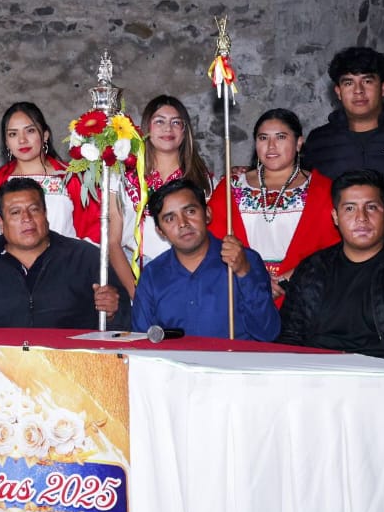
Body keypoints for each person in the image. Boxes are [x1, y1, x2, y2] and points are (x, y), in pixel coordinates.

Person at [0, 177, 127, 329]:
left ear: (45, 214)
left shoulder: (87, 259)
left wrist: (111, 312)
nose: (27, 219)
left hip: (69, 367)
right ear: (0, 223)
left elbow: (122, 327)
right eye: (15, 213)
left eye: (34, 209)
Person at [276, 169, 384, 355]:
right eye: (350, 208)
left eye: (371, 207)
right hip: (318, 373)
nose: (361, 218)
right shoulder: (313, 269)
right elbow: (290, 336)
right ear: (335, 217)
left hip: (380, 374)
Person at [207, 109, 340, 305]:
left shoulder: (323, 189)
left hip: (303, 295)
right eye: (263, 138)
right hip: (241, 293)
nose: (271, 146)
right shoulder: (231, 186)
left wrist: (283, 281)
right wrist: (253, 278)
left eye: (281, 137)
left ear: (299, 143)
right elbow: (211, 242)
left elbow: (333, 251)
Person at [130, 178, 278, 341]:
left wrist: (244, 273)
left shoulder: (245, 260)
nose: (183, 223)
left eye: (190, 211)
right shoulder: (153, 275)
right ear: (161, 232)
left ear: (207, 214)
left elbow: (268, 333)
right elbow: (142, 340)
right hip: (175, 365)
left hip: (232, 364)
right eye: (170, 219)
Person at [108, 95, 213, 298]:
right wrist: (135, 292)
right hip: (131, 272)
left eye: (176, 122)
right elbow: (113, 242)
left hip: (186, 273)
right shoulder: (120, 177)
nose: (168, 129)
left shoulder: (203, 180)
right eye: (159, 121)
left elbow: (207, 236)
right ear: (146, 128)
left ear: (185, 131)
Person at [0, 102, 99, 242]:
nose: (22, 140)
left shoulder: (72, 178)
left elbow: (95, 230)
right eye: (13, 134)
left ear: (45, 135)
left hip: (65, 262)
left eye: (30, 131)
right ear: (6, 142)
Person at [300, 46, 384, 185]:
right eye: (349, 83)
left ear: (383, 88)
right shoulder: (318, 141)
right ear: (338, 92)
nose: (358, 91)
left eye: (367, 81)